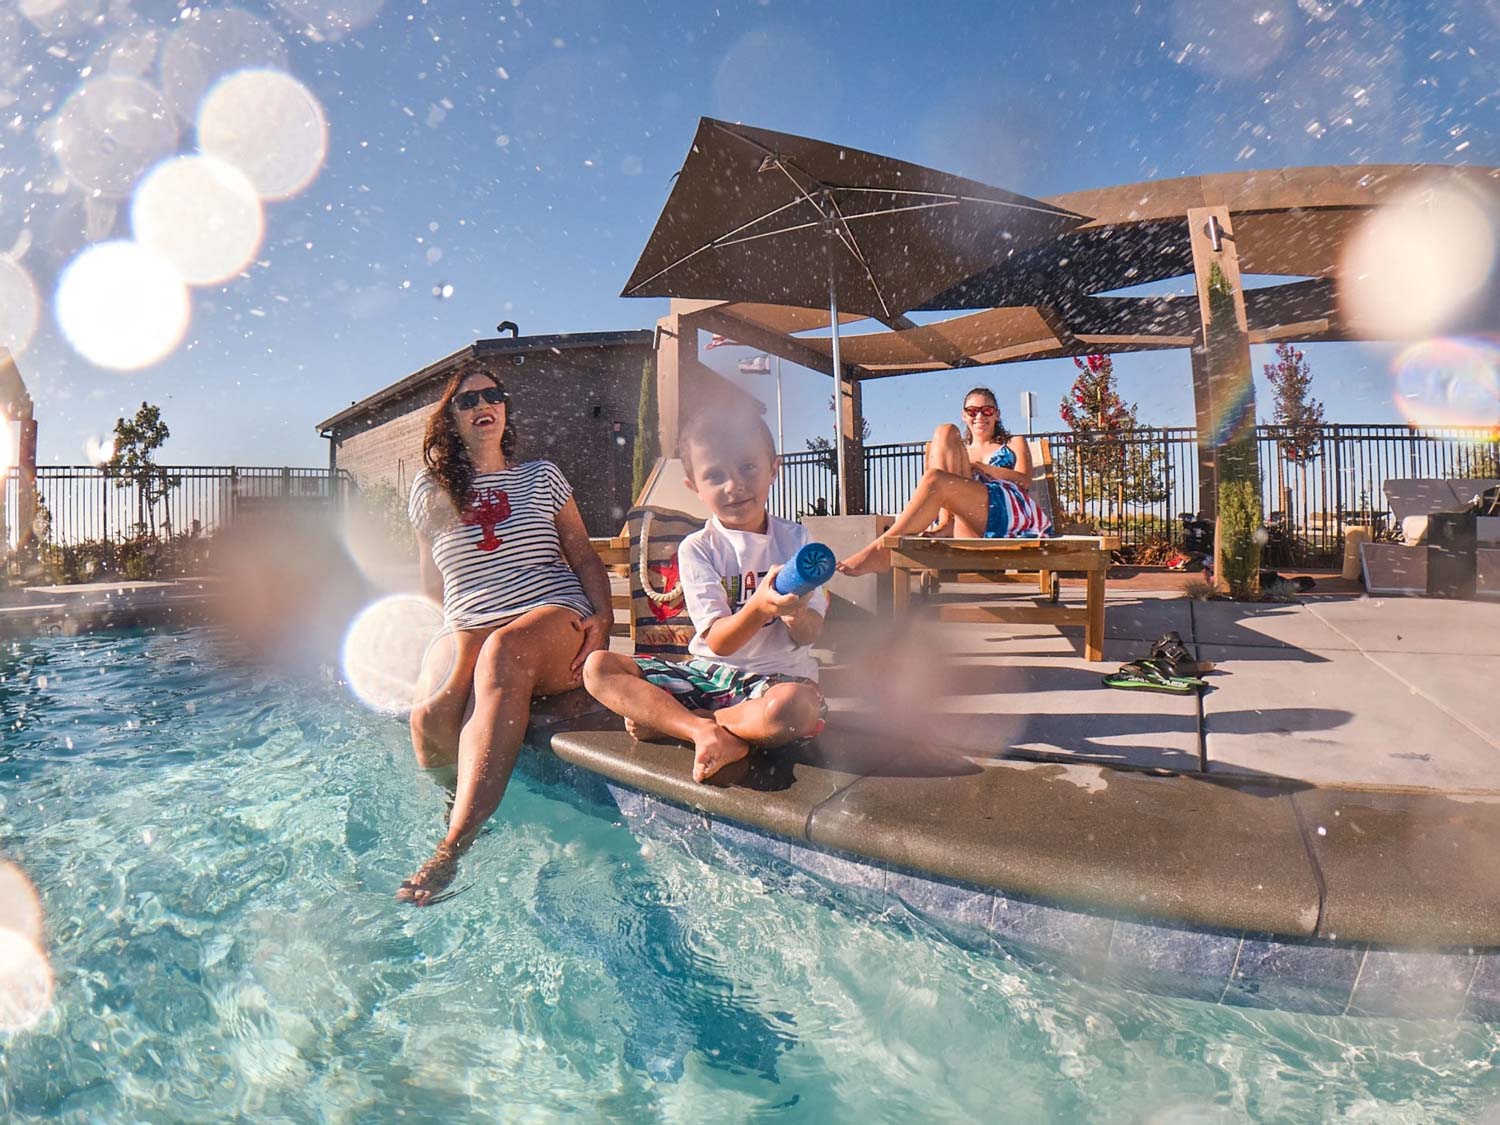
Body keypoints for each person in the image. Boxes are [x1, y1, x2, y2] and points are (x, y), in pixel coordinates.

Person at [401, 362, 614, 905]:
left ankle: (453, 846)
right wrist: (434, 645)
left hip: (547, 611)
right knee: (429, 712)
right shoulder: (429, 491)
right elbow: (432, 586)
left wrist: (604, 616)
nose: (481, 406)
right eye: (467, 401)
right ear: (450, 419)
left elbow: (584, 556)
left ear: (505, 408)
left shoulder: (541, 476)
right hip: (468, 617)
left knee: (503, 655)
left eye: (491, 396)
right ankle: (467, 803)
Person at [583, 406, 827, 783]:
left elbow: (812, 633)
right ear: (694, 486)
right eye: (715, 475)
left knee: (794, 710)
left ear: (773, 468)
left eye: (747, 467)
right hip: (707, 675)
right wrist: (761, 606)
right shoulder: (699, 547)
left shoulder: (797, 542)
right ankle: (704, 732)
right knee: (599, 668)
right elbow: (719, 642)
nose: (734, 486)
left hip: (775, 682)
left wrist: (795, 614)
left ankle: (682, 724)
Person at [838, 386, 1052, 575]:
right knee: (945, 431)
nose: (980, 416)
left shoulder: (1013, 443)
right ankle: (945, 523)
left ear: (997, 414)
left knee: (935, 478)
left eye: (987, 410)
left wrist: (980, 467)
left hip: (1005, 514)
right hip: (967, 523)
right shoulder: (959, 453)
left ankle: (880, 550)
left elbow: (1023, 480)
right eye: (972, 411)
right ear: (964, 415)